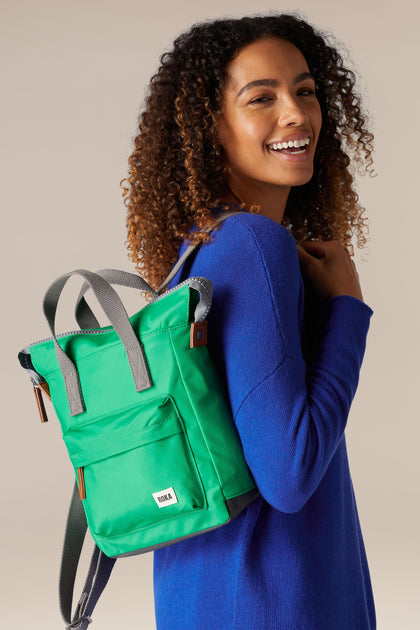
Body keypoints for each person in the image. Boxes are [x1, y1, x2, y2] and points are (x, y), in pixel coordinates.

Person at [122, 13, 376, 630]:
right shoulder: (252, 245)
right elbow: (289, 475)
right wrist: (347, 311)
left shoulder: (203, 248)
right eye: (261, 97)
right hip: (276, 599)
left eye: (306, 90)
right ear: (211, 128)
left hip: (206, 592)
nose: (295, 114)